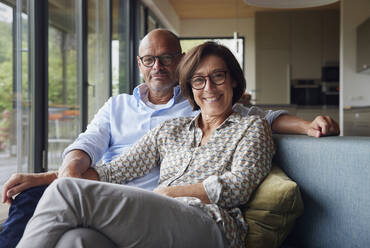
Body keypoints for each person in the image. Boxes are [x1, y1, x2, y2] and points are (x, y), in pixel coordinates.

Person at [0, 29, 339, 248]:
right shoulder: (172, 128)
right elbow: (113, 171)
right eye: (199, 81)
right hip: (157, 214)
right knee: (76, 240)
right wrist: (45, 178)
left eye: (218, 77)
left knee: (65, 191)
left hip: (211, 224)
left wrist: (309, 125)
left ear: (234, 82)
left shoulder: (250, 127)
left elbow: (236, 186)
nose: (209, 88)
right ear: (189, 87)